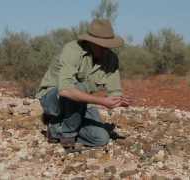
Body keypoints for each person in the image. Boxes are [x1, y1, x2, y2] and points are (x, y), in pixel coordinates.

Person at [36, 19, 131, 147]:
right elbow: (65, 90)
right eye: (101, 45)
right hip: (52, 98)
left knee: (101, 139)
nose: (105, 49)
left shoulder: (111, 59)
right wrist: (102, 101)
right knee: (79, 87)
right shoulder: (72, 50)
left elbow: (115, 91)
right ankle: (68, 135)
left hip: (81, 103)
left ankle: (55, 128)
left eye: (108, 45)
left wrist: (120, 101)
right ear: (90, 42)